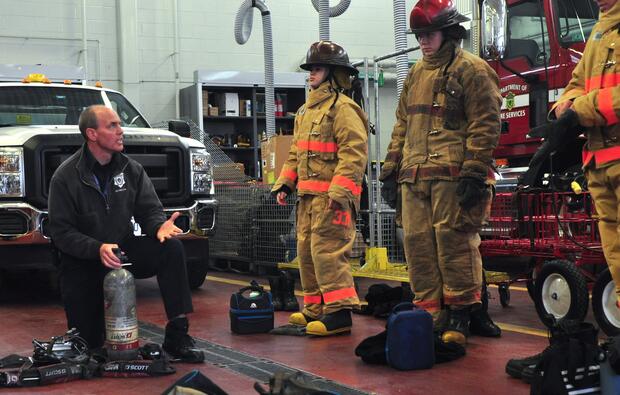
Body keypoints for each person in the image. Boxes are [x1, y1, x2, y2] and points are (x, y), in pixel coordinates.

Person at [379, 0, 502, 345]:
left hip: (452, 177)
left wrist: (474, 172)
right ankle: (429, 313)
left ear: (449, 33)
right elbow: (402, 123)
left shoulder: (473, 70)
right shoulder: (417, 73)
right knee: (418, 245)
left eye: (428, 34)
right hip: (413, 178)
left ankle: (463, 312)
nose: (422, 42)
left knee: (454, 244)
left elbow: (486, 123)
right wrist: (390, 170)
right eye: (419, 35)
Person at [48, 105, 204, 362]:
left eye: (120, 125)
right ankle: (87, 336)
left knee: (171, 248)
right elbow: (62, 233)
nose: (121, 131)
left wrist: (159, 227)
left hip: (124, 251)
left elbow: (149, 210)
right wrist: (96, 248)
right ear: (92, 134)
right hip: (84, 261)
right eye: (112, 126)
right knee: (89, 347)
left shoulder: (131, 170)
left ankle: (178, 336)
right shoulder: (65, 177)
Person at [271, 40, 368, 336]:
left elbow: (354, 153)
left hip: (332, 200)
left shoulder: (344, 109)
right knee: (308, 252)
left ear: (334, 74)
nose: (311, 73)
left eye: (317, 68)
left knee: (328, 253)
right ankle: (315, 307)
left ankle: (339, 314)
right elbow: (295, 154)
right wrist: (285, 183)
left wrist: (340, 193)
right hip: (308, 199)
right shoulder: (304, 112)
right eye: (310, 68)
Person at [552, 0, 620, 307]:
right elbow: (577, 83)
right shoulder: (599, 30)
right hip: (601, 162)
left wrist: (580, 110)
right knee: (614, 247)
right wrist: (563, 106)